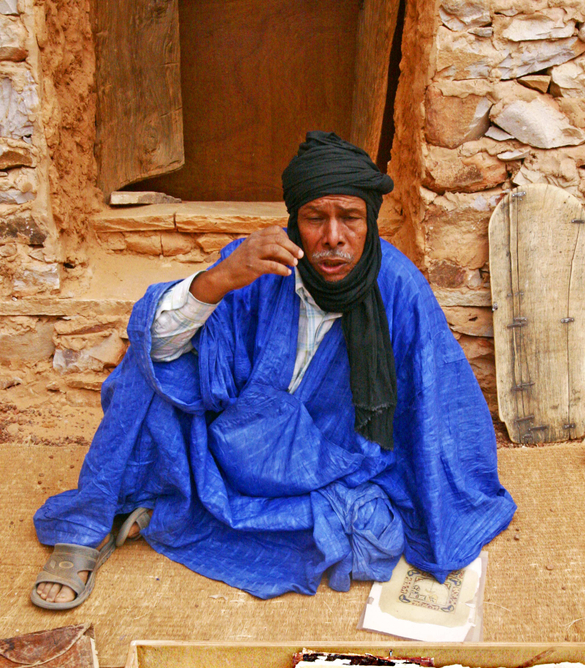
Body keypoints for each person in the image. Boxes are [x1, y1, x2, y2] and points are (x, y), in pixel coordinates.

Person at [32, 132, 516, 609]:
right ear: (293, 221)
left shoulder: (399, 287)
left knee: (370, 528)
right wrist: (219, 280)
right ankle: (86, 528)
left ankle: (171, 506)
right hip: (232, 440)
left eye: (350, 218)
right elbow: (158, 346)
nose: (333, 237)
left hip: (329, 457)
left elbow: (441, 397)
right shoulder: (255, 262)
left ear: (370, 221)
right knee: (144, 376)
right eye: (315, 218)